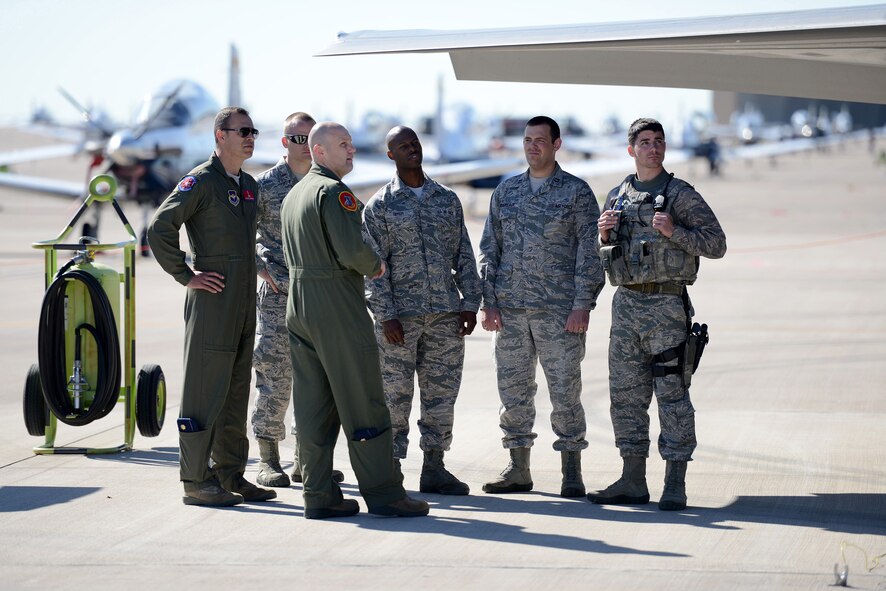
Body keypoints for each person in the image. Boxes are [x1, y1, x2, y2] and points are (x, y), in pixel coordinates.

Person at [280, 121, 429, 519]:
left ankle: (318, 495)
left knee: (313, 406)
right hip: (335, 304)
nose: (352, 150)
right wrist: (375, 265)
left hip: (300, 303)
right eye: (343, 144)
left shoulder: (295, 194)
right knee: (364, 401)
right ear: (320, 151)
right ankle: (384, 494)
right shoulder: (333, 192)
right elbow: (351, 251)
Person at [589, 117, 726, 511]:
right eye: (646, 142)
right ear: (631, 149)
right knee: (625, 395)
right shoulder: (617, 195)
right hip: (626, 307)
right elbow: (606, 251)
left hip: (666, 308)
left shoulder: (680, 195)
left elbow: (716, 244)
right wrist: (603, 234)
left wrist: (674, 232)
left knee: (672, 395)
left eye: (659, 141)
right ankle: (632, 480)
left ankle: (675, 483)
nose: (654, 148)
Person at [147, 107, 276, 507]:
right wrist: (186, 274)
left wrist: (257, 265)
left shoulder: (249, 185)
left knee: (236, 390)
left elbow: (244, 238)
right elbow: (160, 227)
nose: (250, 137)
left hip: (243, 301)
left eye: (253, 131)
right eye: (243, 131)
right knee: (204, 391)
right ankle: (196, 480)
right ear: (221, 135)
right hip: (213, 300)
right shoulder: (200, 181)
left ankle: (229, 473)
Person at [478, 115, 604, 498]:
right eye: (527, 140)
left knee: (565, 392)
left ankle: (571, 471)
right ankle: (518, 469)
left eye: (540, 140)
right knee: (513, 392)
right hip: (511, 313)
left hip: (559, 314)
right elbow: (490, 249)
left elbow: (590, 253)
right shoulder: (507, 192)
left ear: (556, 144)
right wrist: (488, 302)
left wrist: (583, 304)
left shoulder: (576, 193)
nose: (532, 147)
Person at [362, 126, 481, 496]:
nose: (411, 149)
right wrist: (386, 315)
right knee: (394, 397)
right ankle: (391, 469)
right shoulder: (380, 206)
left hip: (445, 315)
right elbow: (373, 268)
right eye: (402, 146)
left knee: (441, 395)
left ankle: (435, 467)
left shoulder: (445, 199)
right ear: (391, 155)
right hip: (401, 319)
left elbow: (463, 254)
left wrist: (470, 303)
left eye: (414, 143)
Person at [249, 112, 344, 487]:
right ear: (284, 141)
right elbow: (238, 232)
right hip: (278, 297)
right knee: (274, 376)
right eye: (296, 138)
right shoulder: (265, 185)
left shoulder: (327, 184)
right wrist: (260, 267)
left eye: (309, 138)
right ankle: (268, 459)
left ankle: (308, 461)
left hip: (318, 296)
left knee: (317, 381)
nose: (303, 145)